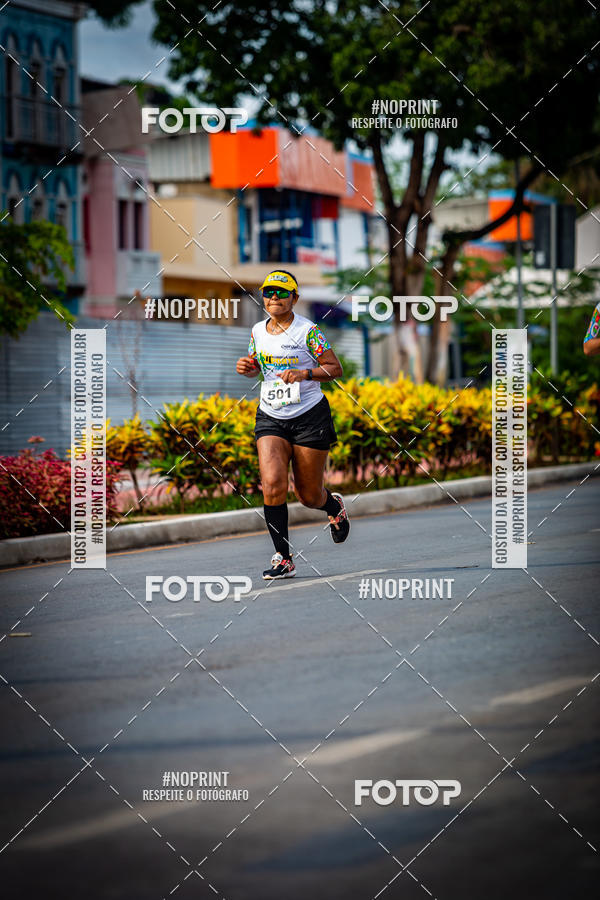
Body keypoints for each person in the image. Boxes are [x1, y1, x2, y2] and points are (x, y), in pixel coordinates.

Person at [236, 269, 350, 579]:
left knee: (308, 495)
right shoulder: (258, 331)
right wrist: (247, 367)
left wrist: (305, 373)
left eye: (282, 293)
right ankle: (283, 557)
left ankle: (332, 506)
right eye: (269, 292)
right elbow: (257, 366)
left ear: (294, 298)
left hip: (309, 415)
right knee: (272, 484)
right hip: (271, 414)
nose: (274, 297)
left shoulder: (308, 331)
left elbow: (334, 368)